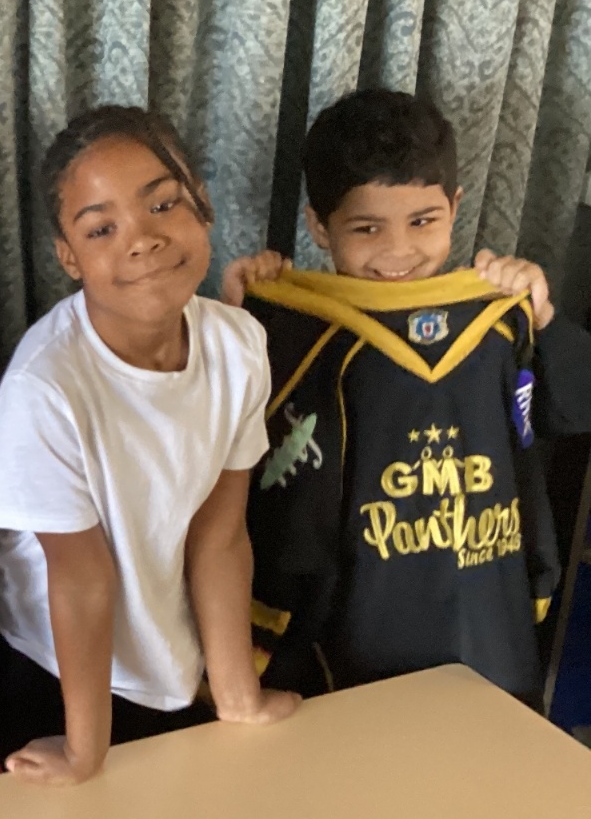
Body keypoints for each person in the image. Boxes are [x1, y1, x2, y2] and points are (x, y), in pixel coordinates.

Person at [220, 88, 591, 700]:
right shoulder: (297, 332)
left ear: (455, 206)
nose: (398, 251)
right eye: (367, 228)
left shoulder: (500, 320)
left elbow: (574, 407)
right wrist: (239, 321)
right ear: (318, 226)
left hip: (490, 627)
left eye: (423, 221)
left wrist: (543, 317)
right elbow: (218, 446)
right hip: (353, 640)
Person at [0, 105, 299, 787]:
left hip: (171, 663)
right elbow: (80, 578)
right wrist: (84, 749)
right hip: (58, 673)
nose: (143, 239)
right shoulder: (45, 389)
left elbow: (219, 535)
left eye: (162, 204)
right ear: (69, 257)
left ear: (203, 204)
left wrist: (236, 694)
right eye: (102, 228)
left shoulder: (240, 346)